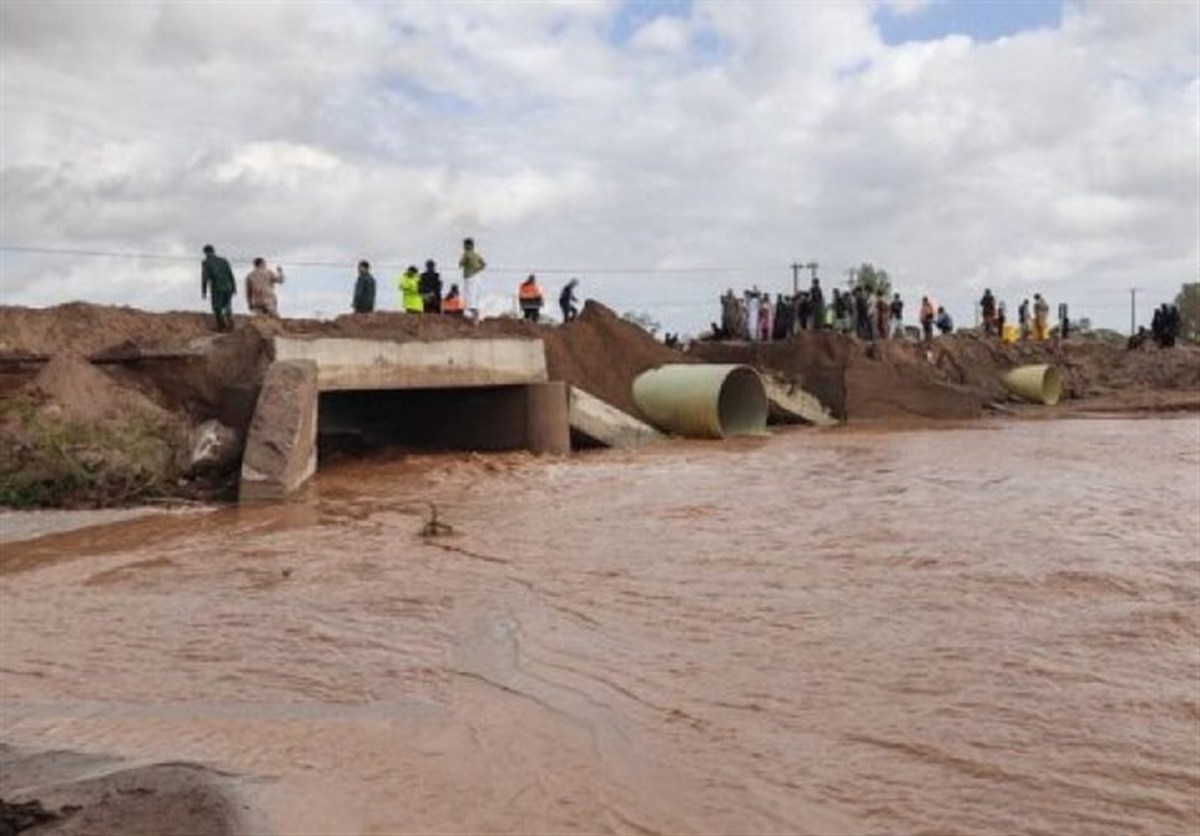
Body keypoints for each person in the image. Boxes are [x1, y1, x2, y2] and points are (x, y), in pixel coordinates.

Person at [200, 244, 237, 332]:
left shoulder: (206, 262)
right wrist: (234, 287)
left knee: (217, 307)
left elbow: (205, 278)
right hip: (228, 287)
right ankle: (231, 324)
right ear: (214, 251)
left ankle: (222, 326)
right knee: (228, 306)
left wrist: (204, 291)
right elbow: (230, 275)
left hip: (217, 288)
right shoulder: (224, 261)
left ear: (205, 253)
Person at [458, 237, 487, 323]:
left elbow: (460, 264)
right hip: (477, 277)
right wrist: (477, 269)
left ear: (467, 245)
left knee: (469, 297)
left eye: (464, 245)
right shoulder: (476, 254)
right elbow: (484, 264)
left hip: (469, 277)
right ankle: (475, 315)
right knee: (475, 296)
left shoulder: (466, 254)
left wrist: (468, 265)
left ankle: (475, 316)